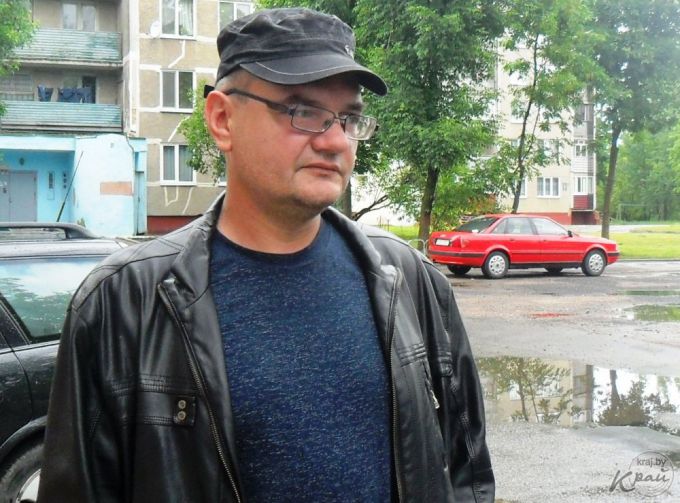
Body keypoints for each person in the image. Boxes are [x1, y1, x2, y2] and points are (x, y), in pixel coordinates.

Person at [38, 7, 493, 502]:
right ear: (222, 119)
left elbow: (466, 473)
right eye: (304, 111)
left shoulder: (410, 281)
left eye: (349, 118)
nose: (335, 141)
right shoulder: (122, 303)